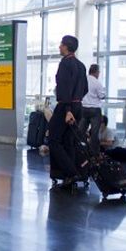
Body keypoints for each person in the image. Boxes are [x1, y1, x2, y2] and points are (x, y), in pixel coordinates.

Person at [48, 35, 88, 187]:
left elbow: (64, 87)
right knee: (69, 141)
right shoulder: (81, 65)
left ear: (66, 47)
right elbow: (85, 89)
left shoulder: (65, 64)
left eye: (61, 44)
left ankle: (71, 172)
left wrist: (68, 109)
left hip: (66, 107)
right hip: (78, 106)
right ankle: (70, 175)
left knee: (53, 140)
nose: (59, 47)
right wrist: (76, 103)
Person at [79, 64, 106, 154]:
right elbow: (102, 96)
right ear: (97, 72)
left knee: (81, 131)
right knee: (94, 133)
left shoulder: (82, 80)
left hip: (83, 108)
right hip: (94, 110)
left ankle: (81, 151)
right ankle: (94, 154)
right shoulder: (97, 83)